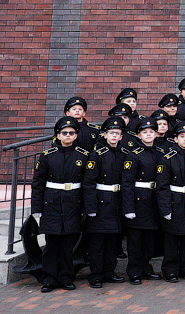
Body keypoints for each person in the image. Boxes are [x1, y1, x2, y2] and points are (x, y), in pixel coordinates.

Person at [31, 116, 89, 292]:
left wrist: (86, 208)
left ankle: (66, 277)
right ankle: (49, 279)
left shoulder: (83, 156)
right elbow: (38, 183)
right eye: (64, 133)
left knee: (67, 244)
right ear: (58, 135)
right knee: (52, 244)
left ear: (76, 135)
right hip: (52, 203)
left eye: (72, 133)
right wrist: (37, 209)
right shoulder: (47, 156)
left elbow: (87, 184)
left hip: (73, 203)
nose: (68, 136)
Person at [156, 121, 185, 282]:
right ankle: (170, 269)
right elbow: (162, 186)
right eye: (182, 136)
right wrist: (165, 209)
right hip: (174, 202)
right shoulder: (168, 158)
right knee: (172, 239)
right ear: (175, 139)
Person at [83, 115, 127, 288]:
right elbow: (89, 183)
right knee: (98, 242)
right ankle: (96, 274)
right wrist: (91, 207)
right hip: (100, 202)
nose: (114, 136)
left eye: (117, 133)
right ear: (104, 135)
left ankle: (109, 271)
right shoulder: (97, 155)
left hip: (116, 201)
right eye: (111, 133)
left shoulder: (123, 155)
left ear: (121, 137)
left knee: (112, 240)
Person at [122, 118, 164, 284]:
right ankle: (134, 271)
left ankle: (146, 268)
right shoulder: (133, 155)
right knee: (135, 240)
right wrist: (129, 207)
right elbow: (127, 183)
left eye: (151, 132)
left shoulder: (159, 153)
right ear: (139, 135)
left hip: (153, 199)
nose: (148, 134)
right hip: (138, 200)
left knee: (149, 239)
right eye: (145, 132)